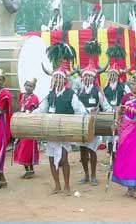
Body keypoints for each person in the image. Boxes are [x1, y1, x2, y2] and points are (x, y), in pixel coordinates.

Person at [34, 66, 87, 195]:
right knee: (52, 159)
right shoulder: (50, 94)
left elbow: (79, 109)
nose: (57, 80)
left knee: (64, 159)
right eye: (55, 78)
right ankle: (57, 186)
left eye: (60, 78)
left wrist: (84, 118)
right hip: (51, 132)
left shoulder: (71, 94)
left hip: (64, 131)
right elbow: (41, 109)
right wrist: (30, 114)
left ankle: (67, 187)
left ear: (64, 80)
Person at [77, 64, 112, 186]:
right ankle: (86, 175)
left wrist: (107, 114)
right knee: (82, 151)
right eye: (85, 76)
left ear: (93, 78)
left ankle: (93, 176)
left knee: (92, 151)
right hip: (81, 125)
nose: (87, 78)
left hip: (94, 124)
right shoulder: (79, 91)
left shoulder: (98, 91)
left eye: (89, 76)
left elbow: (106, 106)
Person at [13, 78, 40, 179]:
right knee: (20, 147)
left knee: (28, 148)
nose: (28, 87)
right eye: (27, 85)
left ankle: (31, 170)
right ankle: (27, 170)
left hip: (29, 126)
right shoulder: (22, 96)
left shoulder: (34, 98)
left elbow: (34, 112)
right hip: (21, 125)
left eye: (31, 86)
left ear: (34, 88)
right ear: (24, 85)